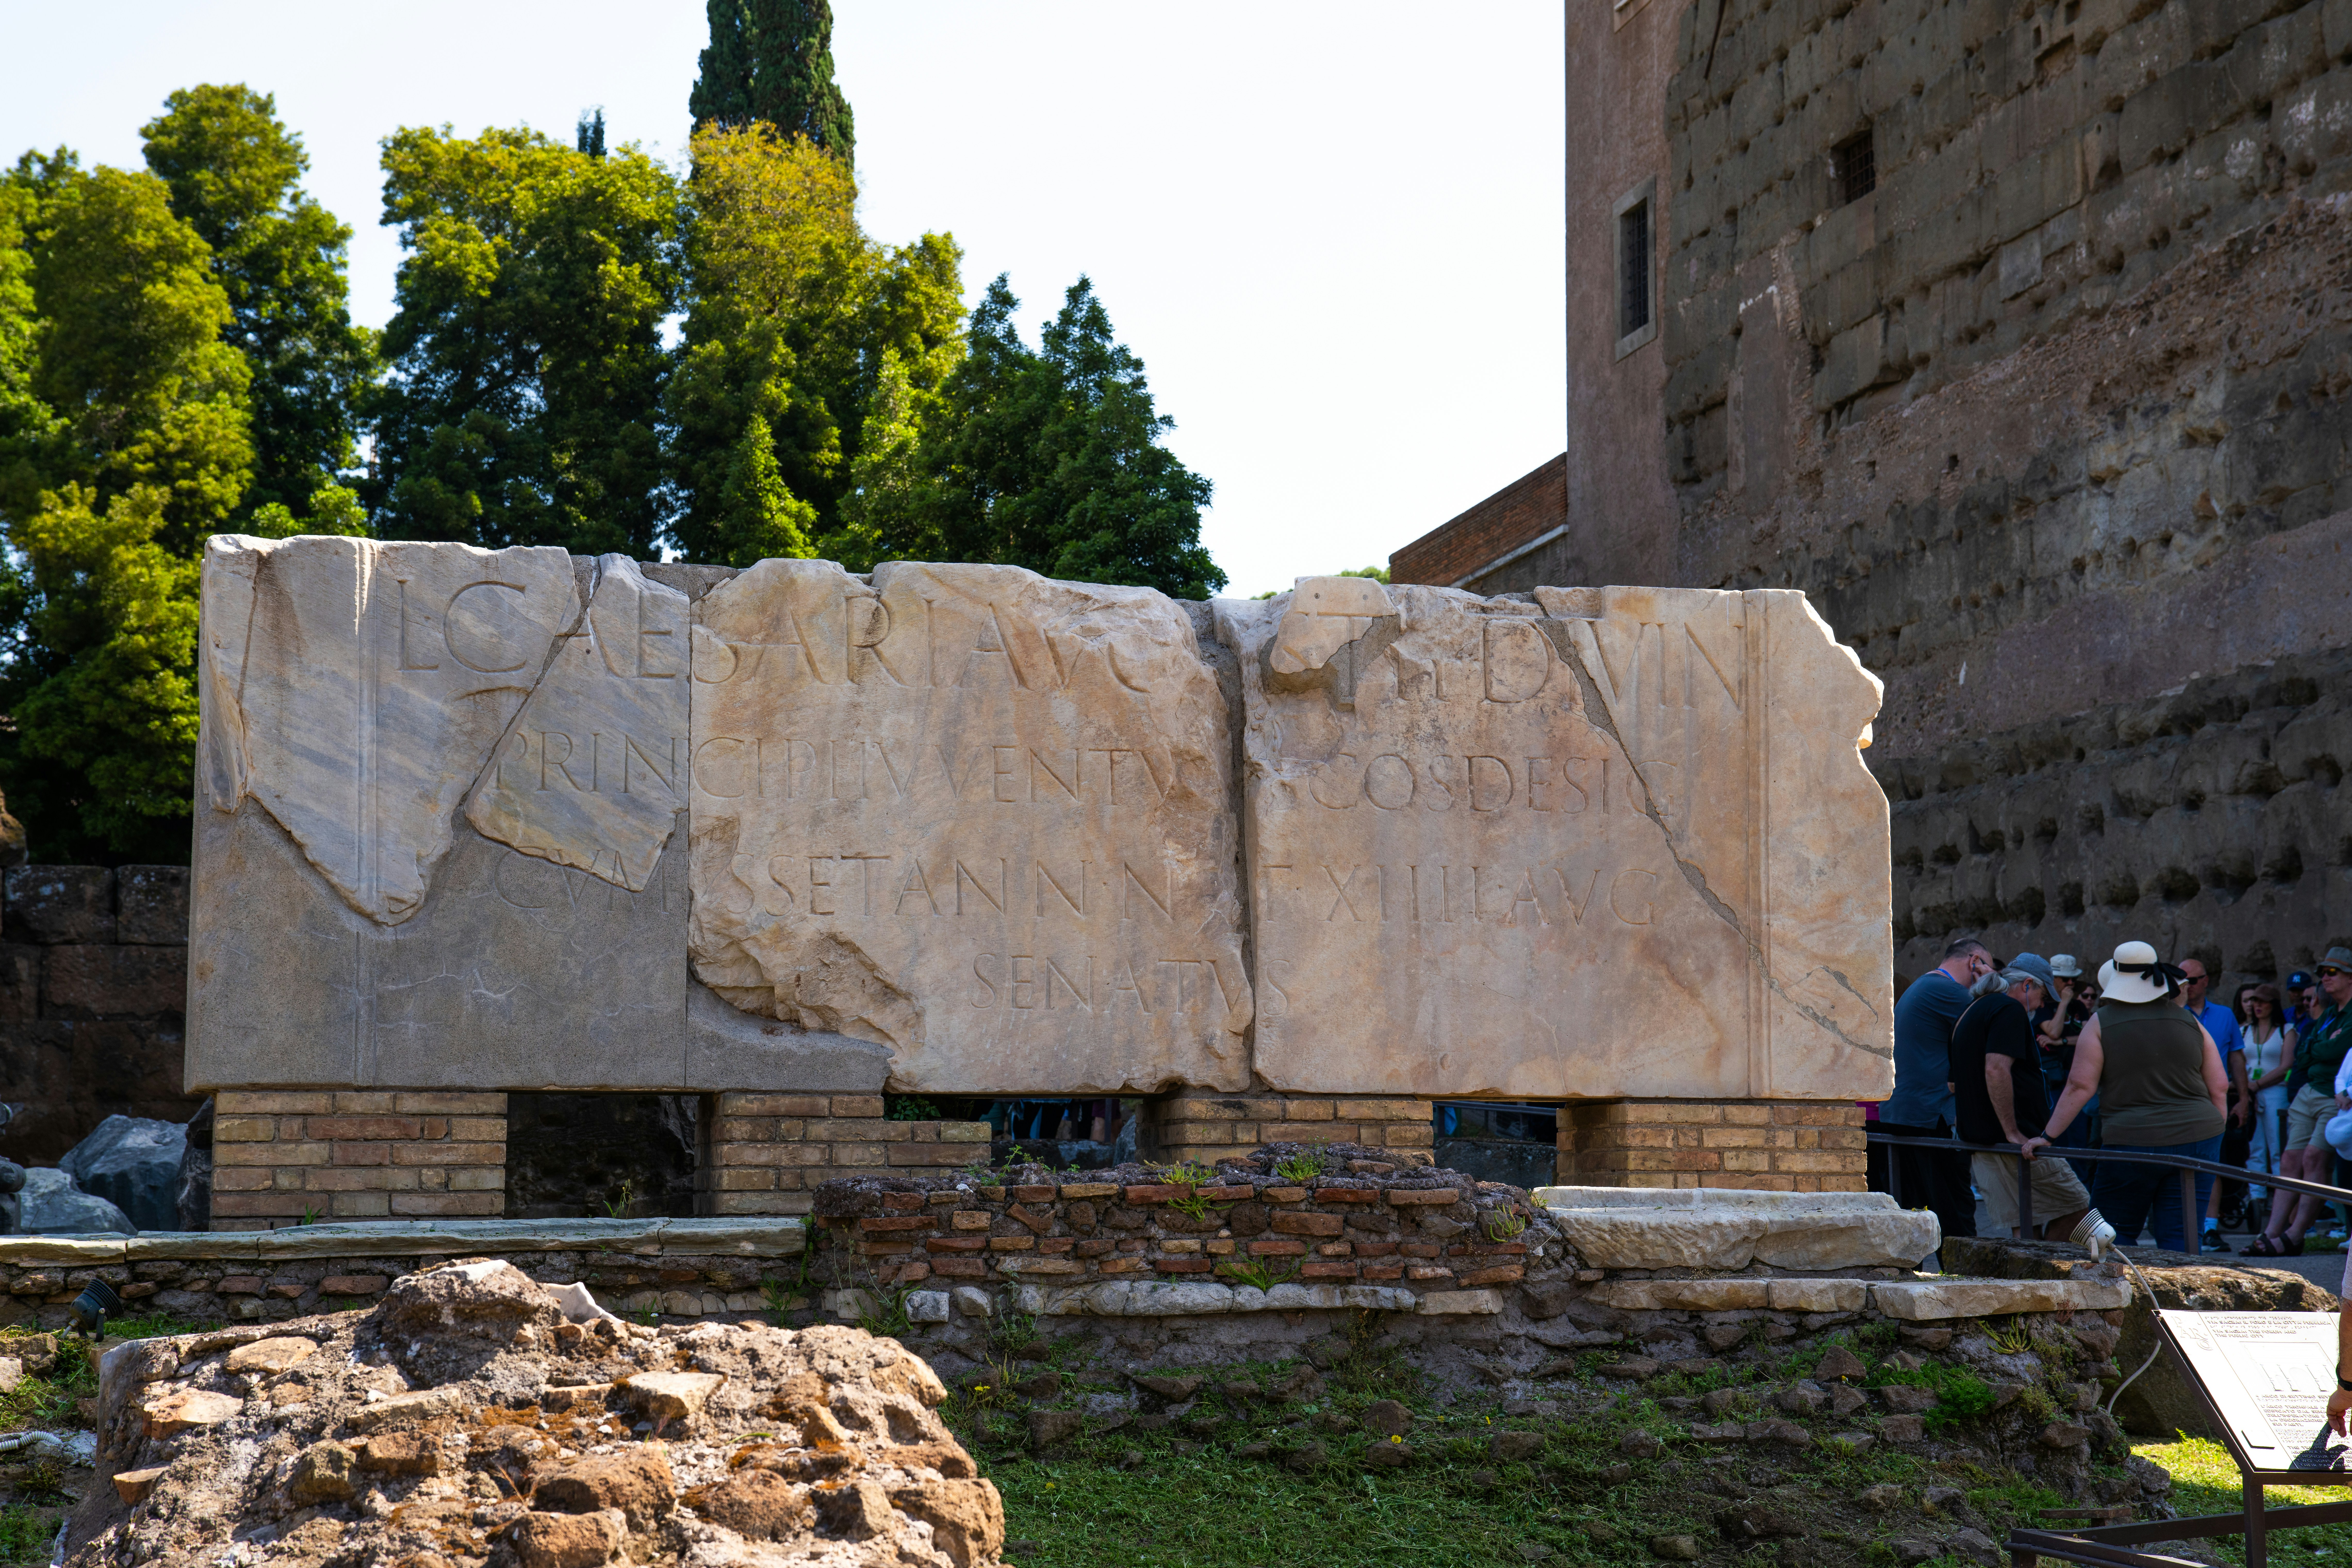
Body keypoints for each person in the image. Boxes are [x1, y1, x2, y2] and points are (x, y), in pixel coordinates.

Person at [2035, 941, 2228, 1253]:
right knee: (2182, 1238)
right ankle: (2183, 1302)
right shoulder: (2190, 1020)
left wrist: (2047, 1136)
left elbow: (2079, 1087)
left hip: (2130, 1140)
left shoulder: (2101, 1021)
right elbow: (2219, 1086)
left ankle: (2120, 1300)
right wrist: (2214, 1134)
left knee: (2112, 1235)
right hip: (2198, 1138)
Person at [1953, 954, 2094, 1239]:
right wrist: (2012, 1132)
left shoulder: (1972, 1009)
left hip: (1980, 1139)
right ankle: (2046, 1276)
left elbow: (1953, 1085)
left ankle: (2030, 1280)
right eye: (2043, 995)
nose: (2043, 1005)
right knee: (2077, 1207)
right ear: (2027, 985)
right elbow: (1995, 1069)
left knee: (2023, 1223)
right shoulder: (2008, 1010)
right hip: (2018, 1142)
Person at [1879, 936, 1994, 1240]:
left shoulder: (1926, 985)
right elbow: (1997, 1020)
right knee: (1953, 1209)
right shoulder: (1947, 991)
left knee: (1914, 1207)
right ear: (1974, 963)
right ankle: (1962, 1279)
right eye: (1987, 969)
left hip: (1908, 1113)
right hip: (1929, 1117)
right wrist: (1991, 986)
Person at [2250, 949, 2352, 1255]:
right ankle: (2271, 1232)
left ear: (2350, 977)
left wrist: (2321, 1048)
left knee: (2313, 1160)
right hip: (2310, 1090)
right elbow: (2304, 1053)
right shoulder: (2331, 1012)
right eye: (2323, 972)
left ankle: (2295, 1235)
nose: (2325, 978)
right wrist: (2324, 1045)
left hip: (2335, 1097)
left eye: (2332, 972)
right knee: (2289, 1161)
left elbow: (2337, 1050)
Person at [2182, 958, 2253, 1250]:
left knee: (2213, 1162)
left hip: (2214, 1099)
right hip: (2182, 1098)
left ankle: (2209, 1229)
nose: (2188, 986)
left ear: (2206, 981)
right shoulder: (2172, 1013)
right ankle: (2187, 1228)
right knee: (2183, 1163)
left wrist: (2245, 1099)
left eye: (2193, 980)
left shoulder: (2224, 1016)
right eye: (2182, 981)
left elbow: (2237, 1059)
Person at [2241, 982, 2299, 1217]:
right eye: (2255, 1001)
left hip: (2276, 1092)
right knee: (2254, 1148)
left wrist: (2256, 1085)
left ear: (2273, 1005)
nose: (2258, 1006)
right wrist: (2247, 1090)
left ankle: (2281, 1198)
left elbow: (2287, 1066)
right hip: (2250, 1093)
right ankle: (2257, 1196)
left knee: (2277, 1147)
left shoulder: (2287, 1030)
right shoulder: (2243, 1030)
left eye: (2263, 1002)